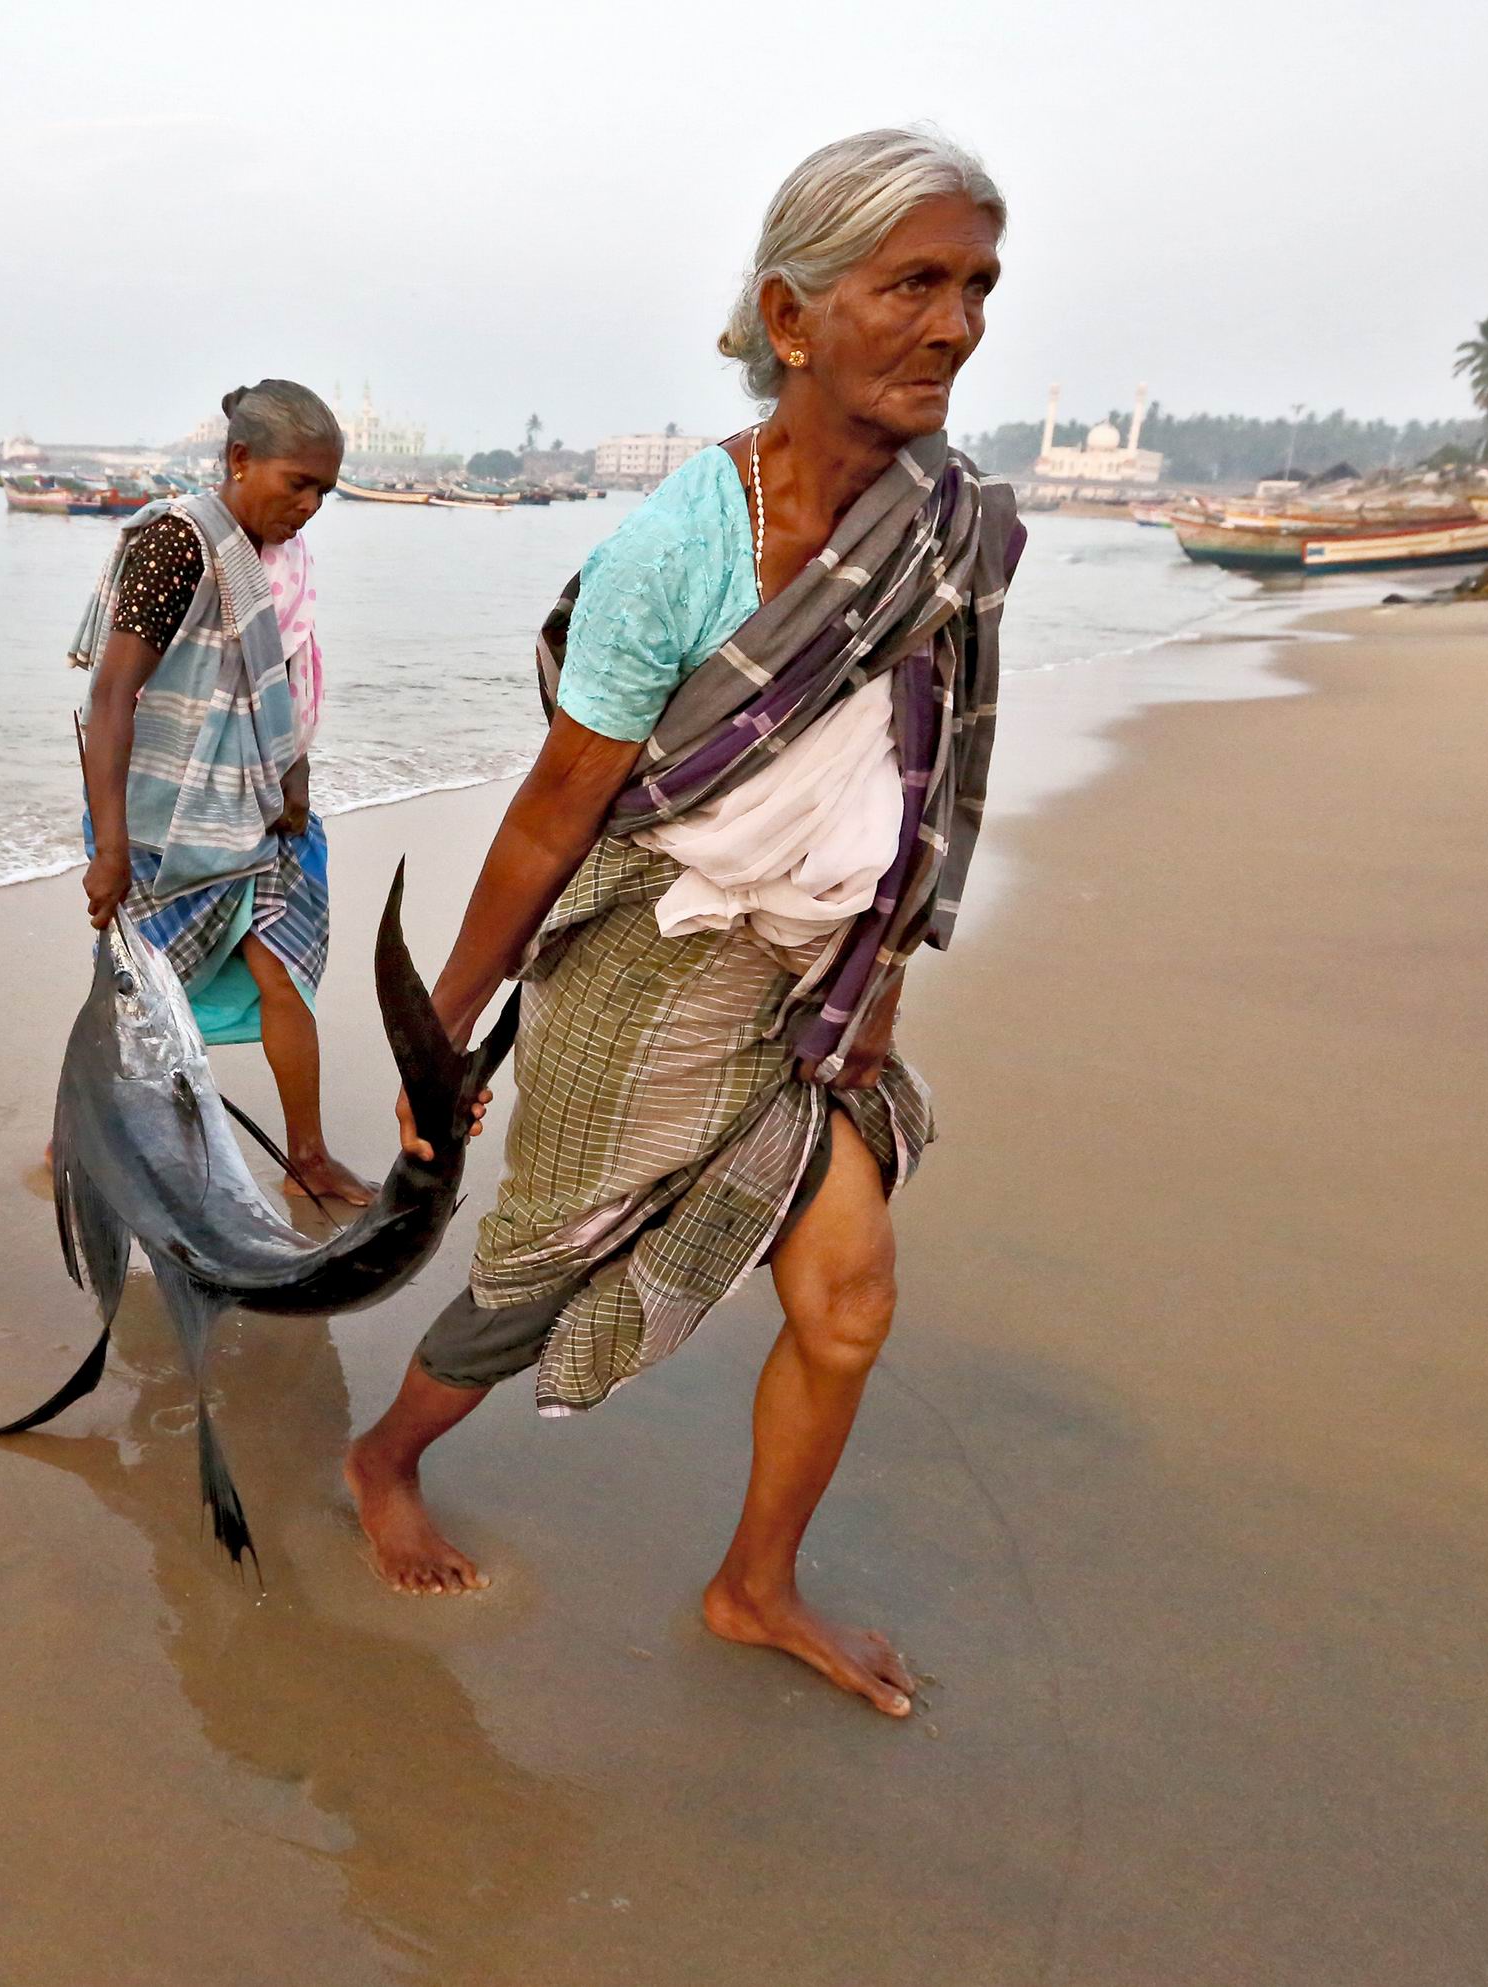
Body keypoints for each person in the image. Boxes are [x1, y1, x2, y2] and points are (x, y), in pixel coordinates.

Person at [342, 130, 1024, 1717]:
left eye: (977, 285)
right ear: (792, 318)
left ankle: (752, 1583)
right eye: (911, 282)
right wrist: (440, 1031)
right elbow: (554, 804)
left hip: (825, 980)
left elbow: (930, 768)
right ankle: (384, 1456)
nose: (954, 323)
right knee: (536, 1264)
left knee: (848, 1302)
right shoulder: (677, 546)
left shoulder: (954, 526)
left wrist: (885, 973)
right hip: (650, 964)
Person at [73, 380, 371, 1203]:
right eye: (297, 483)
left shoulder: (283, 559)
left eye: (324, 490)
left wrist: (295, 778)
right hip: (168, 823)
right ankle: (91, 1150)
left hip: (263, 810)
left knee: (285, 974)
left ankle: (306, 1157)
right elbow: (110, 698)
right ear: (240, 460)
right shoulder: (179, 546)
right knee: (140, 1013)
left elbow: (286, 682)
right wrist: (111, 848)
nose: (310, 506)